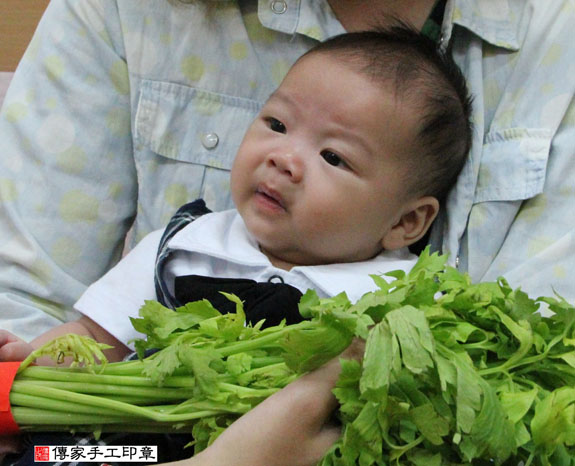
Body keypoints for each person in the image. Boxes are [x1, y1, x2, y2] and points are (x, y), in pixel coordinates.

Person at [0, 27, 472, 465]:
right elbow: (94, 335)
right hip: (135, 447)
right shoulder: (184, 244)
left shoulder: (403, 298)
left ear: (407, 221)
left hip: (294, 451)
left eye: (333, 156)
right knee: (50, 458)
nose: (283, 158)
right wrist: (35, 361)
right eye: (277, 123)